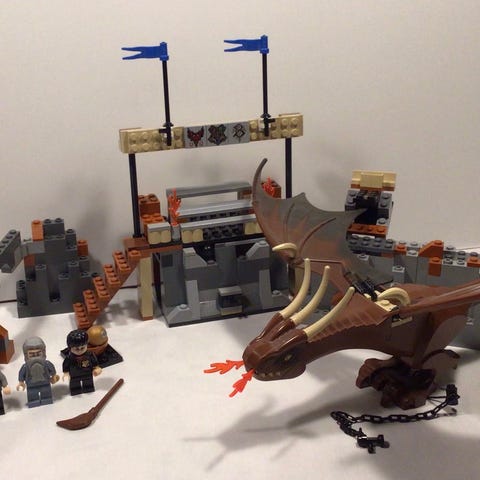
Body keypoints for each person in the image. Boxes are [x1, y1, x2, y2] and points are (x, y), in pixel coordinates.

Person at [17, 337, 59, 407]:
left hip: (45, 383)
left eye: (38, 354)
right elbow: (21, 374)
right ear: (26, 355)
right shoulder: (25, 367)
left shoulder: (47, 364)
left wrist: (54, 376)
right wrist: (21, 382)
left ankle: (47, 399)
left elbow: (52, 371)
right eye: (32, 355)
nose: (35, 358)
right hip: (31, 386)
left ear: (43, 353)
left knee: (46, 395)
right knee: (32, 396)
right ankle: (33, 401)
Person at [62, 329, 102, 395]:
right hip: (74, 375)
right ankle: (75, 389)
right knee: (75, 387)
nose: (79, 350)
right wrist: (66, 373)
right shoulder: (69, 358)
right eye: (76, 349)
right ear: (70, 348)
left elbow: (95, 363)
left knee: (88, 385)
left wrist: (97, 368)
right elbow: (65, 365)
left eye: (82, 348)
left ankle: (88, 388)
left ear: (86, 345)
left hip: (87, 373)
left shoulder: (90, 355)